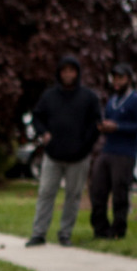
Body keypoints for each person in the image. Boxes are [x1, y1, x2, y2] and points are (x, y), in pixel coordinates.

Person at [27, 55, 102, 247]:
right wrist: (43, 133)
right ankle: (38, 233)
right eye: (64, 71)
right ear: (59, 74)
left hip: (79, 156)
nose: (68, 75)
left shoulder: (88, 98)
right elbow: (37, 117)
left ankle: (65, 233)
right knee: (45, 192)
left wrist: (85, 146)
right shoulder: (49, 96)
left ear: (77, 73)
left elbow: (96, 125)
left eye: (72, 71)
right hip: (53, 154)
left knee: (73, 196)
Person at [90, 63, 137, 240]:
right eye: (115, 78)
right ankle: (100, 230)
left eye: (121, 78)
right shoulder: (112, 100)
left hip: (125, 152)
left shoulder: (136, 100)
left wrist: (118, 127)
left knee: (119, 192)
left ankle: (118, 230)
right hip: (108, 149)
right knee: (98, 190)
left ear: (129, 80)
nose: (116, 81)